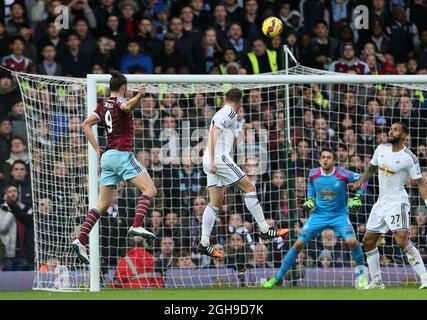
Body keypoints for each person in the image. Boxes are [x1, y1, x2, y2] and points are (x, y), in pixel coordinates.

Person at [72, 71, 157, 264]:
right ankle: (136, 225)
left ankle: (81, 239)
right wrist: (139, 96)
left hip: (107, 157)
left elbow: (86, 124)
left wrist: (96, 148)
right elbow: (126, 106)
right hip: (121, 154)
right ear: (124, 87)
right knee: (150, 190)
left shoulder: (102, 105)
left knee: (102, 204)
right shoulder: (120, 101)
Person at [199, 88, 289, 258]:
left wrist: (244, 131)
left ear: (226, 98)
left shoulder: (227, 115)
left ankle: (204, 243)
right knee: (249, 187)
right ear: (241, 102)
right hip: (218, 159)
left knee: (215, 202)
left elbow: (229, 141)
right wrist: (212, 159)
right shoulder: (228, 112)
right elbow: (213, 134)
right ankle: (264, 229)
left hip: (212, 160)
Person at [263, 147, 368, 289]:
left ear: (334, 161)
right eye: (323, 157)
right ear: (319, 160)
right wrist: (310, 200)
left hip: (339, 216)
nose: (325, 159)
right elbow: (311, 191)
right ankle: (278, 278)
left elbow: (363, 179)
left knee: (352, 242)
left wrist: (358, 198)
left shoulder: (343, 174)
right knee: (298, 244)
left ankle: (362, 275)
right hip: (318, 215)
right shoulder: (313, 174)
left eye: (329, 157)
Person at [353, 122, 427, 290]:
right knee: (368, 241)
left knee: (401, 240)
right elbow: (371, 168)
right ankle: (377, 282)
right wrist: (361, 181)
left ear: (403, 135)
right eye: (390, 128)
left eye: (395, 129)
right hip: (381, 203)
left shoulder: (409, 157)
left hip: (397, 202)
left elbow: (420, 182)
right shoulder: (381, 149)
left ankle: (425, 278)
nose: (390, 131)